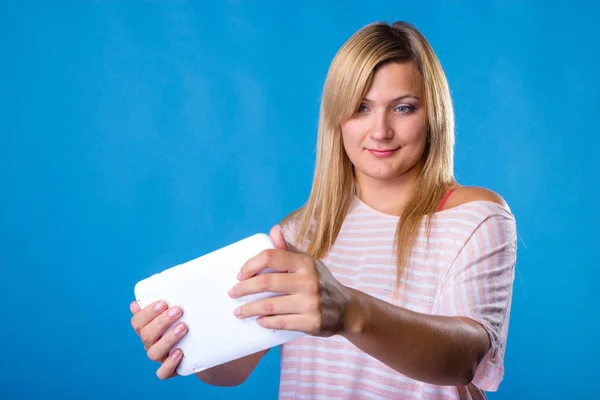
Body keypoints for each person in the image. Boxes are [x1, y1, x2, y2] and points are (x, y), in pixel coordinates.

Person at [129, 20, 517, 399]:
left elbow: (465, 358)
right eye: (361, 108)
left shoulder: (476, 217)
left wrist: (349, 311)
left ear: (432, 116)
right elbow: (229, 372)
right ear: (337, 119)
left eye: (403, 108)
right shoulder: (299, 233)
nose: (380, 131)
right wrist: (183, 342)